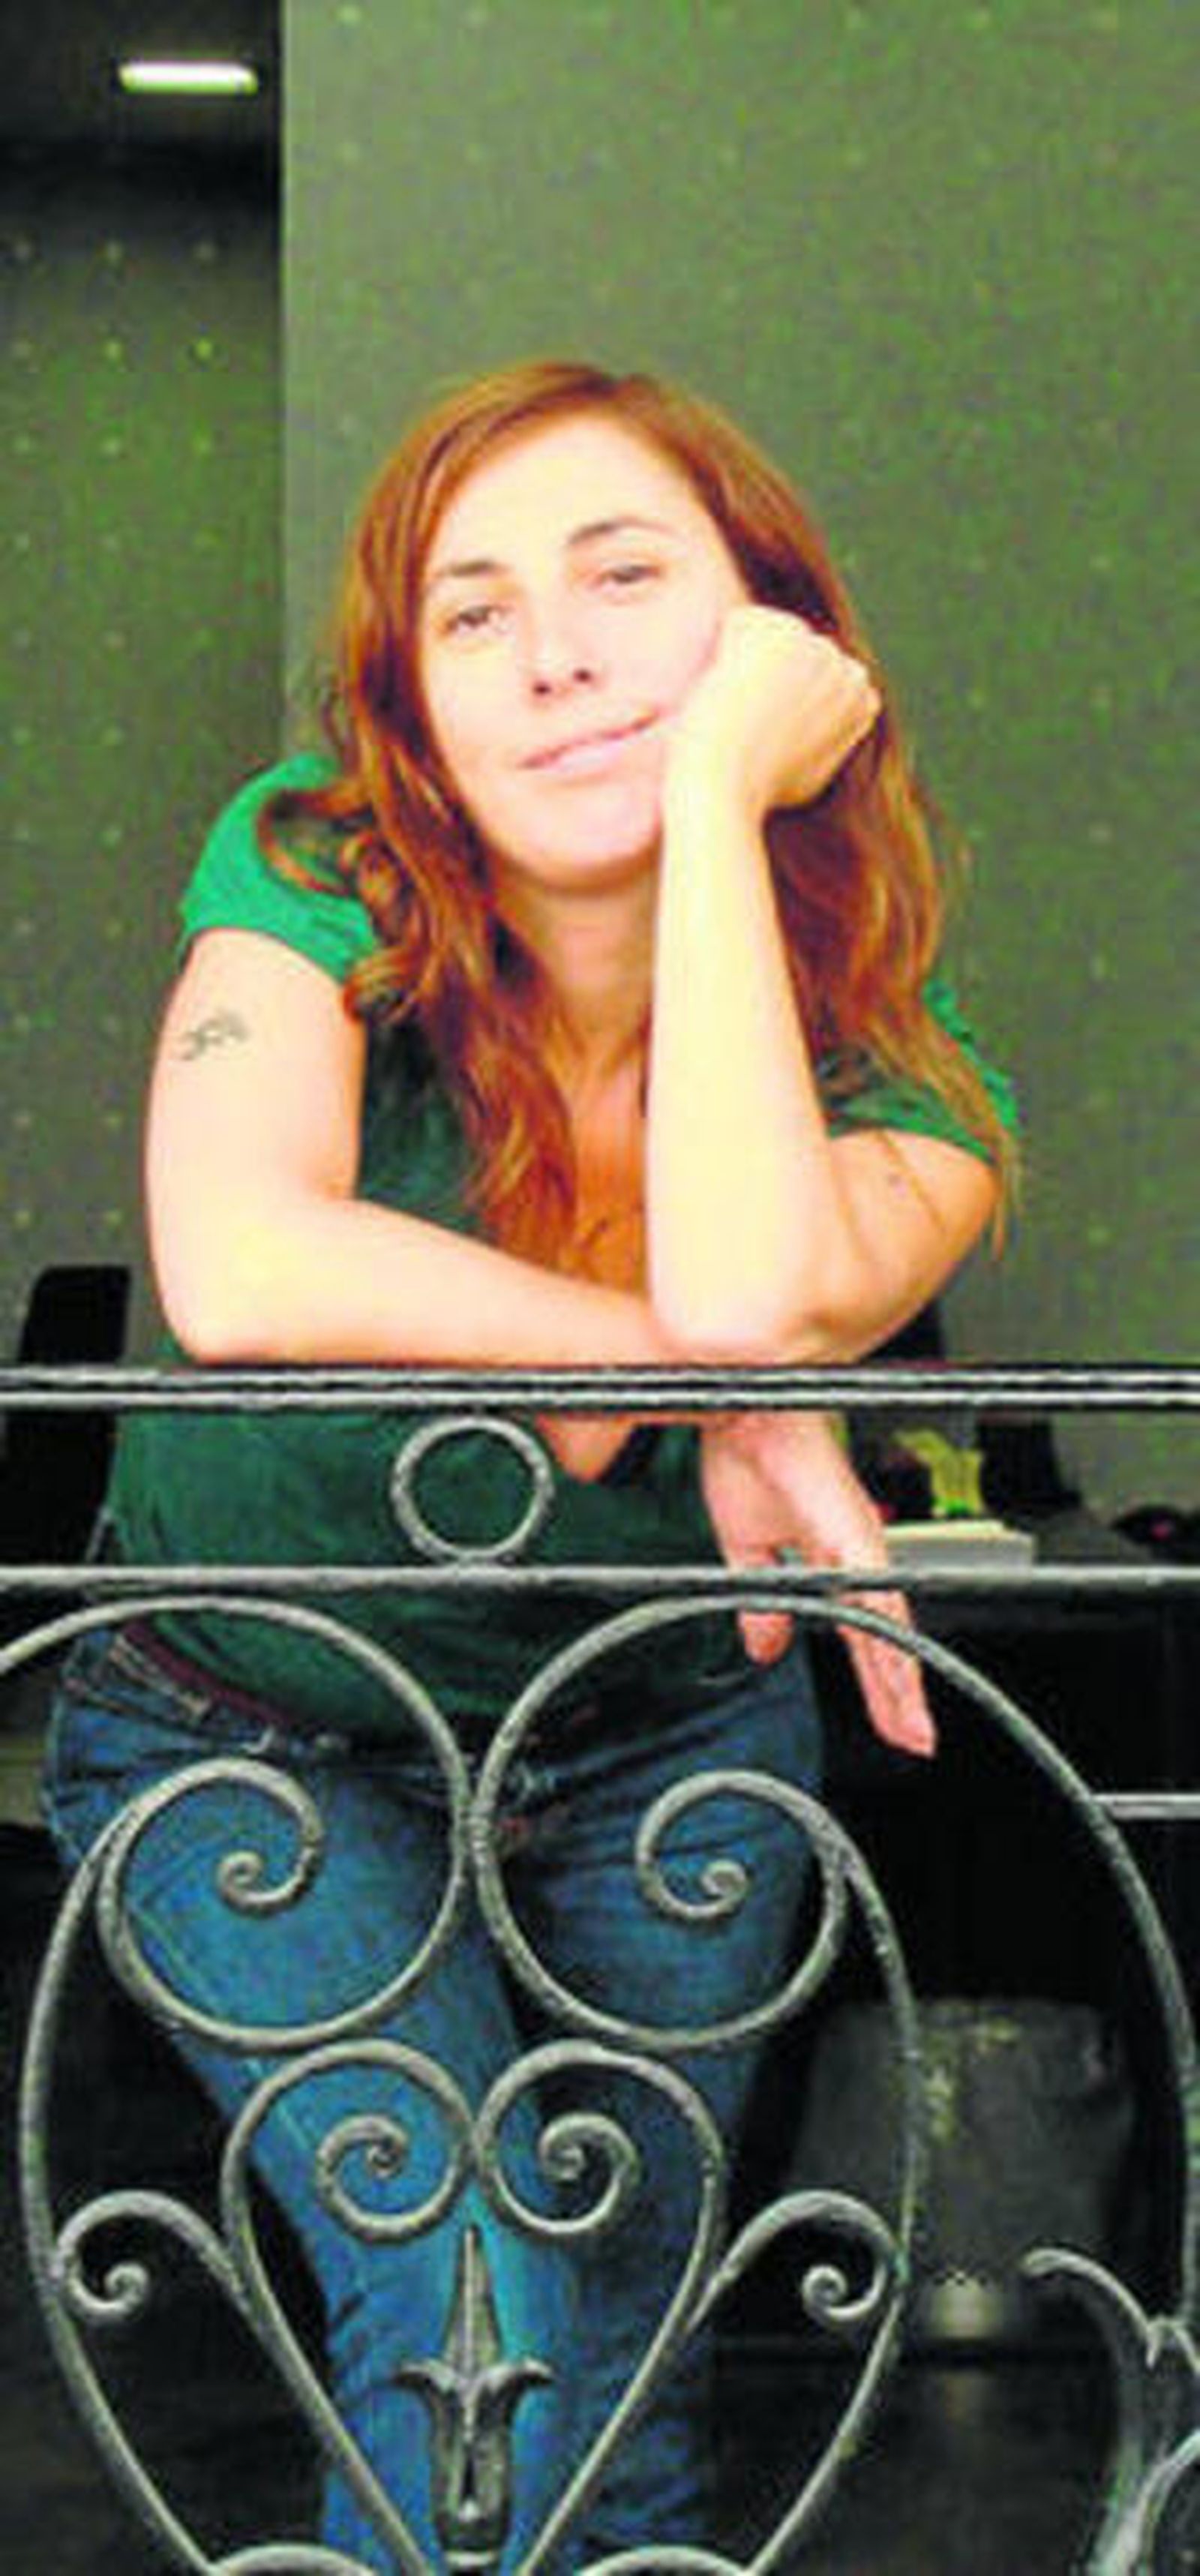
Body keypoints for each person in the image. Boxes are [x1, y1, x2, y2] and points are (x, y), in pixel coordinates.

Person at [44, 359, 1017, 2571]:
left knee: (626, 2354)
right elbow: (238, 1259)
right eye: (471, 613)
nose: (552, 652)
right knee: (475, 2301)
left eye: (624, 578)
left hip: (667, 1742)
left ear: (775, 640)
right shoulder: (317, 861)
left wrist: (716, 807)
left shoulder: (909, 1076)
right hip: (248, 1727)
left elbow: (750, 1281)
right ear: (413, 702)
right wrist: (742, 1394)